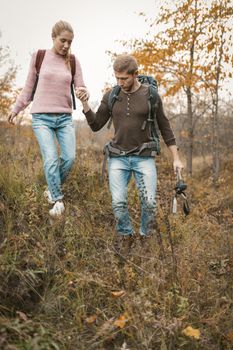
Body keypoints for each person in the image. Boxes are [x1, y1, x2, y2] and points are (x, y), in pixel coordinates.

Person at [76, 54, 183, 245]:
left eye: (124, 78)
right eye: (117, 78)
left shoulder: (151, 95)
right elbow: (96, 124)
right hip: (118, 158)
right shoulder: (111, 95)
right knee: (118, 203)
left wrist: (176, 158)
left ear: (135, 74)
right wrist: (85, 103)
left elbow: (165, 127)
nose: (120, 82)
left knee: (149, 204)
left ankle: (144, 238)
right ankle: (126, 237)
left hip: (144, 158)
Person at [8, 20, 88, 216]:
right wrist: (16, 108)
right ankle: (57, 199)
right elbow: (28, 88)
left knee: (69, 158)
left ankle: (50, 189)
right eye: (63, 41)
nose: (66, 45)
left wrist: (84, 93)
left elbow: (81, 86)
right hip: (41, 118)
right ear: (53, 37)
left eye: (70, 42)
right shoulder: (39, 57)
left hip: (64, 118)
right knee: (51, 159)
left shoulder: (74, 61)